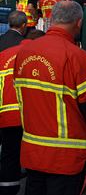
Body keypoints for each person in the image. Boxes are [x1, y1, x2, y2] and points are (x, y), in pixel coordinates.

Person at [14, 1, 86, 195]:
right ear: (79, 23)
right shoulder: (79, 58)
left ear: (52, 19)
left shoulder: (23, 53)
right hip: (67, 158)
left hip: (32, 152)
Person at [0, 29, 45, 195]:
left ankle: (7, 189)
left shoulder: (4, 55)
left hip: (6, 115)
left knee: (9, 155)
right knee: (35, 154)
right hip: (31, 115)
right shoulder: (38, 56)